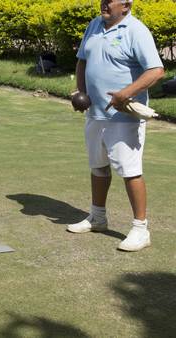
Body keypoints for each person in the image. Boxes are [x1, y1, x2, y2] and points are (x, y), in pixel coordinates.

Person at [67, 0, 164, 251]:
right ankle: (97, 217)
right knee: (98, 166)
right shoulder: (94, 25)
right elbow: (82, 60)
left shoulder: (136, 30)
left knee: (130, 170)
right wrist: (81, 91)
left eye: (110, 0)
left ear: (126, 6)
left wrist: (125, 94)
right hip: (95, 112)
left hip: (124, 115)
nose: (104, 3)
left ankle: (141, 229)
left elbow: (156, 70)